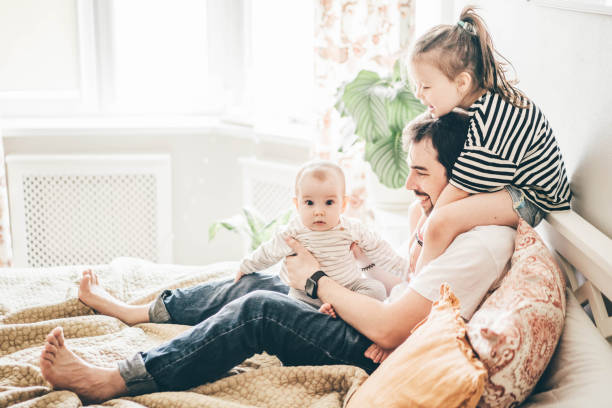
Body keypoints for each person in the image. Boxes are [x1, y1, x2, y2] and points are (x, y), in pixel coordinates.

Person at [39, 111, 516, 403]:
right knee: (258, 283)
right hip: (372, 316)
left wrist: (316, 281)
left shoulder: (480, 243)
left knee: (260, 309)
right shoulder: (437, 217)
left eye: (420, 172)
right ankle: (140, 310)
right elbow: (404, 283)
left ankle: (115, 382)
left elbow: (393, 330)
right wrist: (350, 286)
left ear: (463, 174)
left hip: (377, 352)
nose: (409, 183)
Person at [408, 6, 572, 274]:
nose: (418, 93)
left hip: (532, 197)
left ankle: (418, 291)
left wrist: (421, 237)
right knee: (422, 212)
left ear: (461, 83)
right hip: (511, 186)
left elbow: (459, 189)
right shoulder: (479, 103)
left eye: (425, 86)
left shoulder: (494, 117)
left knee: (440, 221)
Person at [236, 160, 411, 316]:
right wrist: (246, 266)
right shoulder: (294, 231)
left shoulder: (351, 228)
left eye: (329, 203)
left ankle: (342, 309)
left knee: (376, 289)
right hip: (307, 293)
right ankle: (326, 312)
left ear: (342, 204)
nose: (318, 211)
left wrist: (405, 270)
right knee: (292, 305)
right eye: (309, 203)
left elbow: (379, 248)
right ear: (297, 205)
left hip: (348, 288)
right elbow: (268, 251)